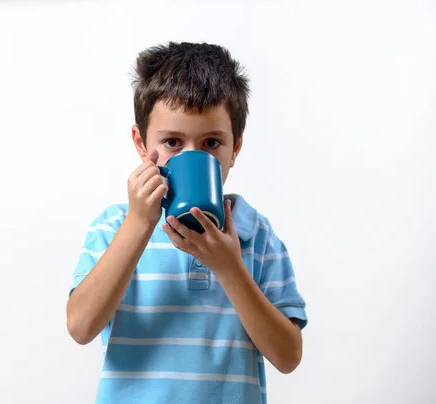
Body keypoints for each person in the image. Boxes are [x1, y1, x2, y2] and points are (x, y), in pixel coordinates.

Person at [66, 41, 308, 404]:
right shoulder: (115, 225)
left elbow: (288, 357)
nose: (192, 155)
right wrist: (138, 223)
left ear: (235, 149)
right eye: (173, 142)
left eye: (211, 142)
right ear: (140, 142)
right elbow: (81, 327)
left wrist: (230, 269)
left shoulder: (256, 235)